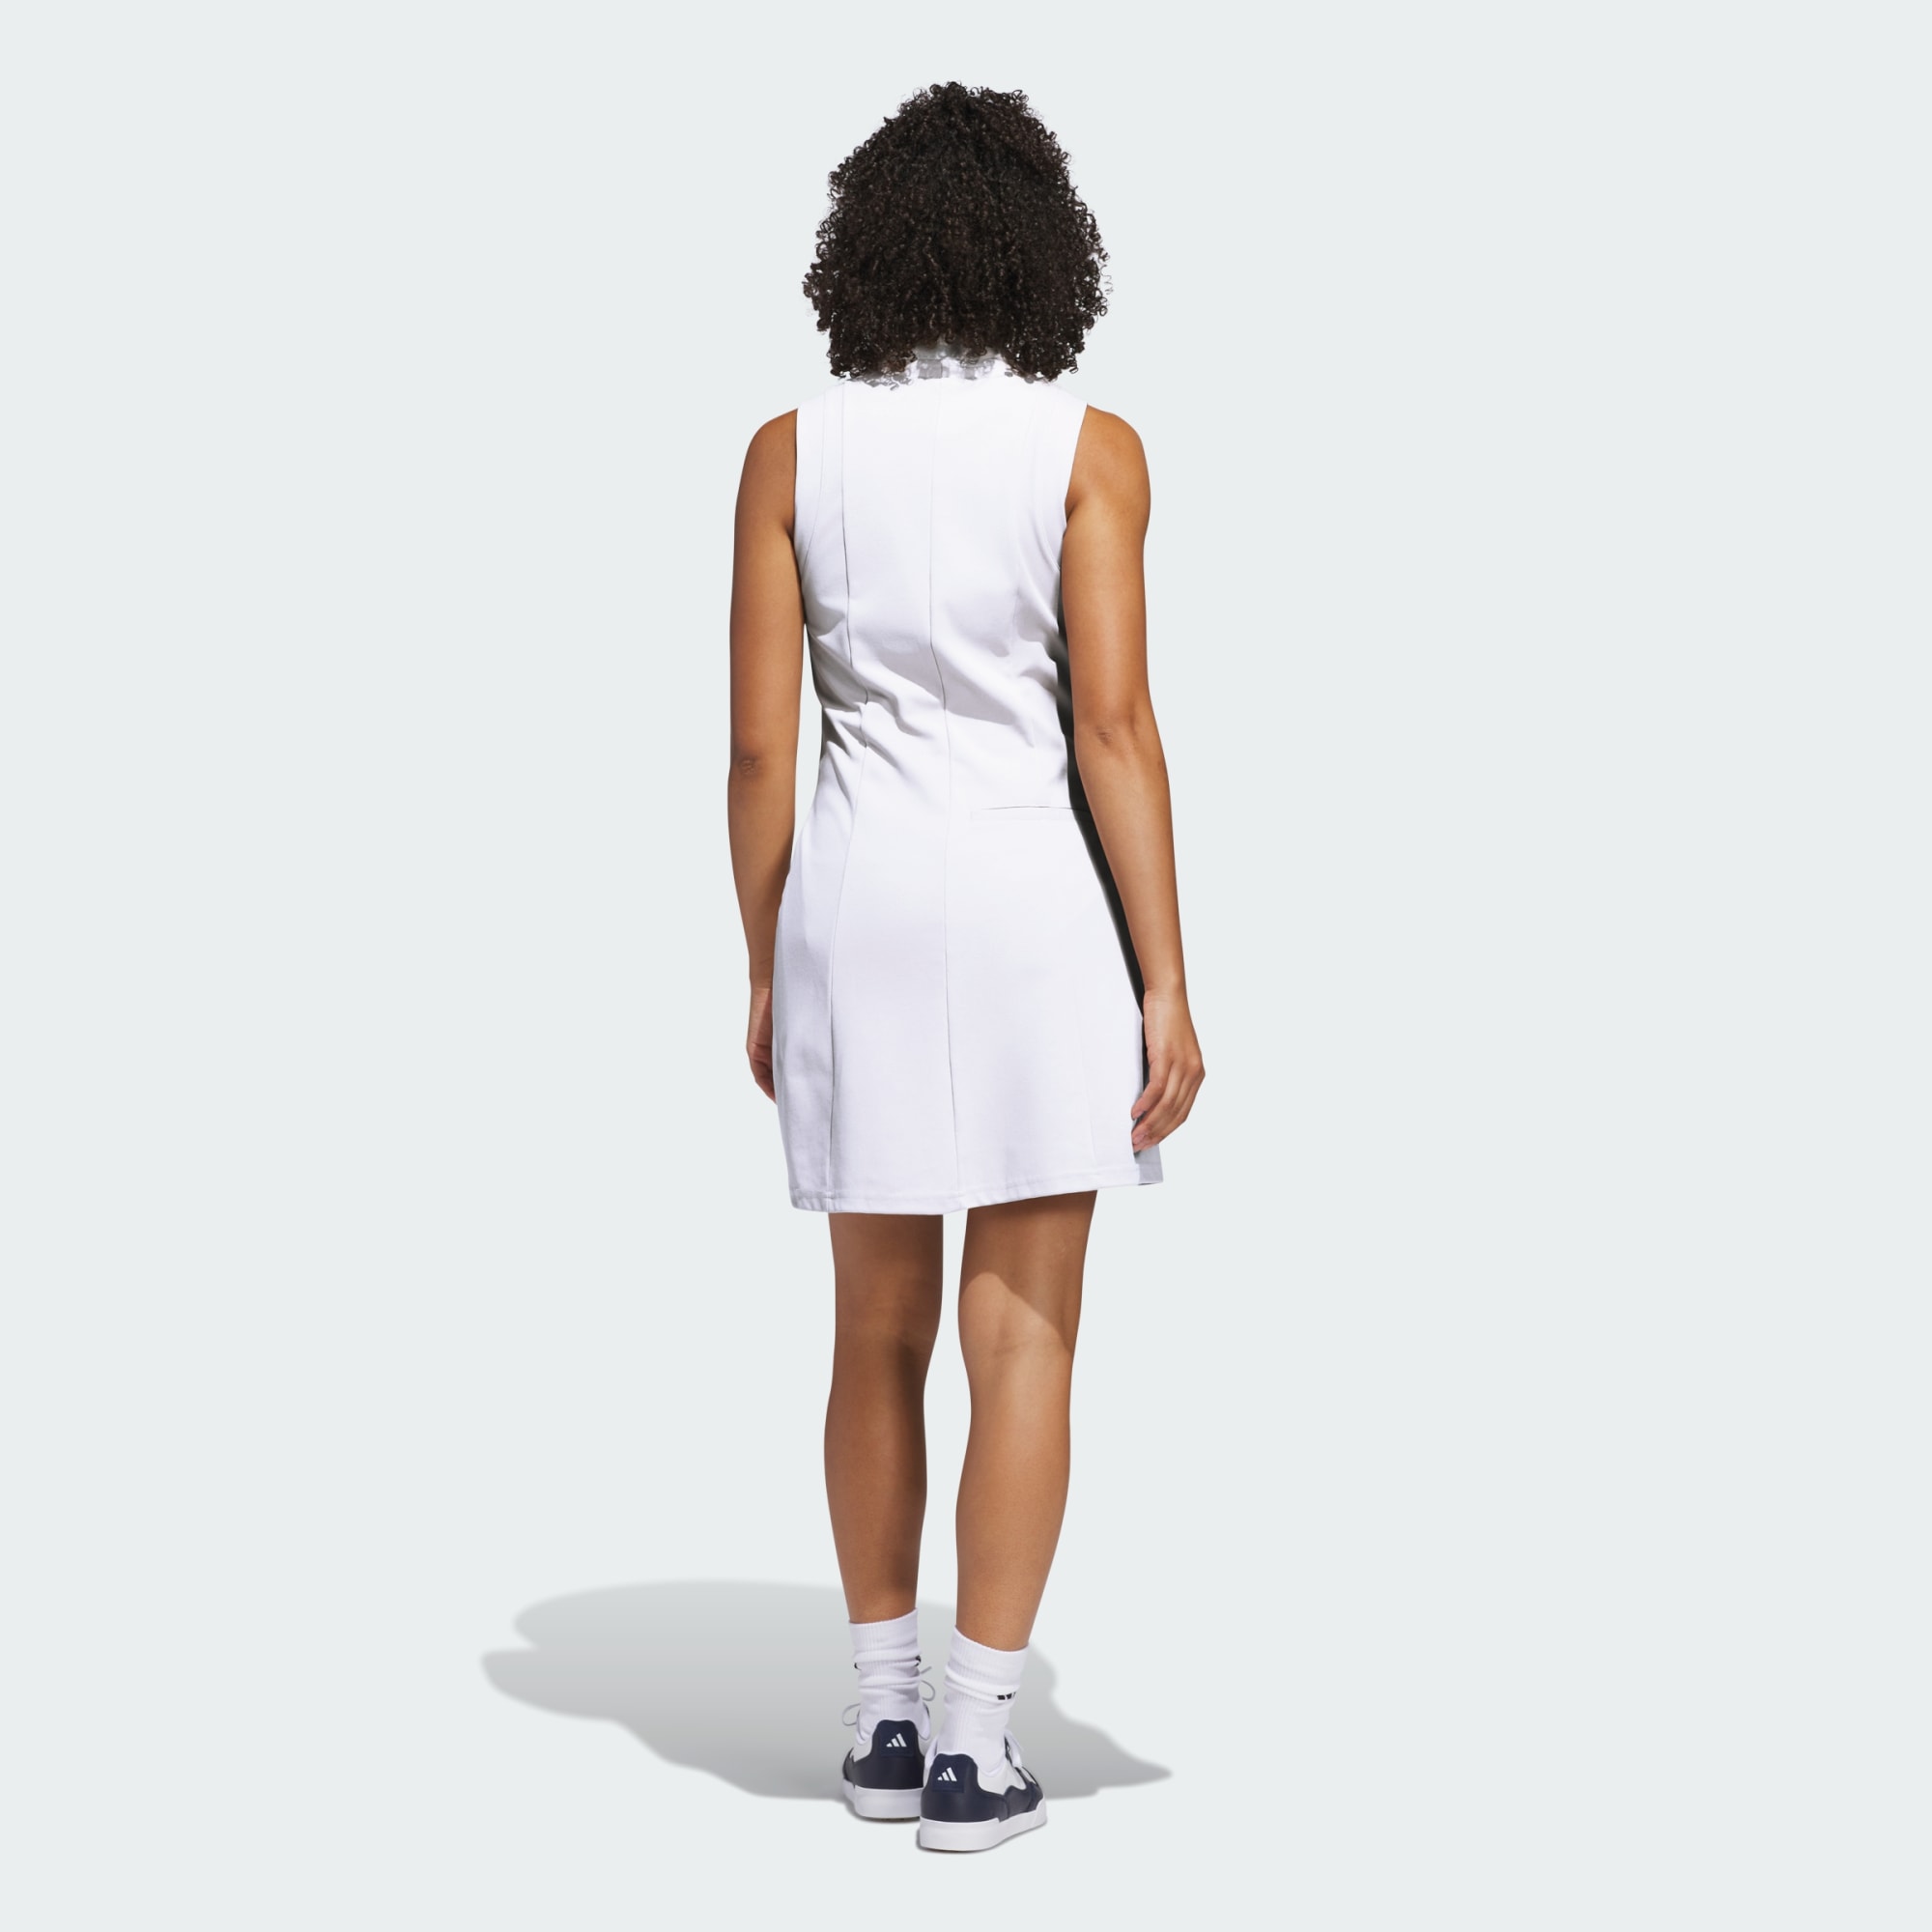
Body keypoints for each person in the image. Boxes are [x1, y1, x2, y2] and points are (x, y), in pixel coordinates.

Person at [726, 81, 1204, 1854]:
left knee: (872, 1330)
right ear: (1042, 252)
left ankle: (877, 1719)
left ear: (863, 248)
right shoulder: (1094, 450)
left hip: (850, 904)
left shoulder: (789, 454)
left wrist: (766, 961)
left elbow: (760, 755)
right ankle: (977, 1751)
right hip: (1028, 912)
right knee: (1025, 1339)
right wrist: (1167, 978)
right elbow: (1115, 728)